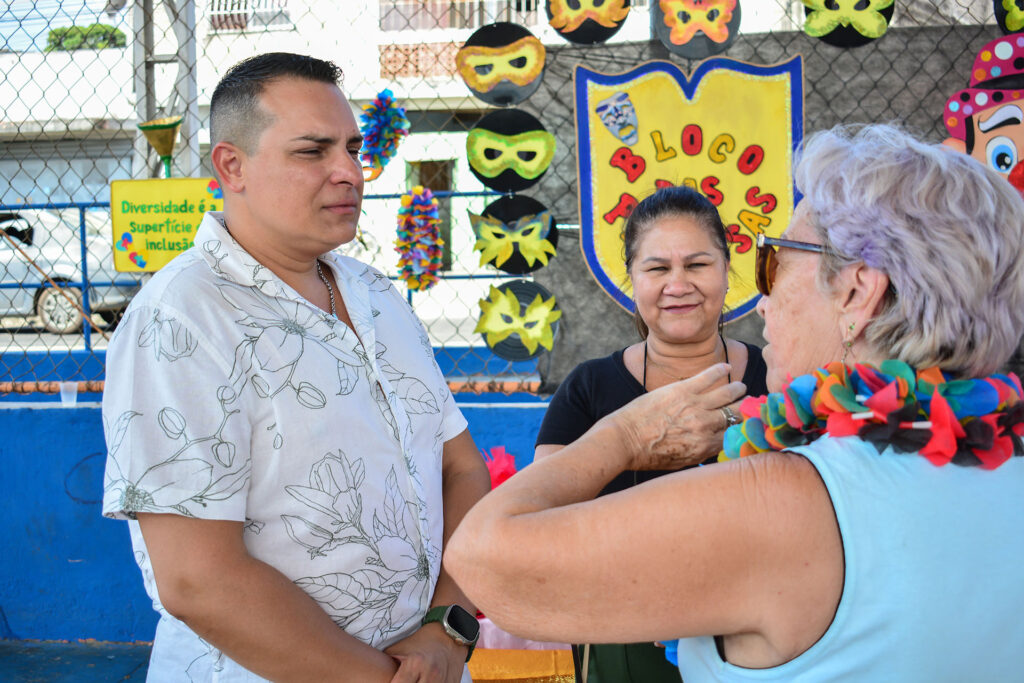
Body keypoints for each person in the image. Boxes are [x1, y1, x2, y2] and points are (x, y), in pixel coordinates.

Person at [444, 124, 1024, 680]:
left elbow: (480, 558)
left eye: (773, 263)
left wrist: (624, 437)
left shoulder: (785, 502)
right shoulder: (1005, 461)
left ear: (857, 291)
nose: (764, 302)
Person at [101, 53, 490, 683]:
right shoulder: (182, 319)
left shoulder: (375, 294)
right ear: (232, 166)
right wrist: (382, 676)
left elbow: (461, 466)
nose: (349, 172)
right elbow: (198, 580)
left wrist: (447, 627)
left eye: (353, 148)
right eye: (312, 151)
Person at [533, 185, 766, 682]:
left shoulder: (784, 378)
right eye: (657, 268)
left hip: (763, 633)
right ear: (631, 280)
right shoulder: (588, 389)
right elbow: (542, 515)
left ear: (727, 270)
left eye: (697, 265)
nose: (677, 285)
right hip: (623, 636)